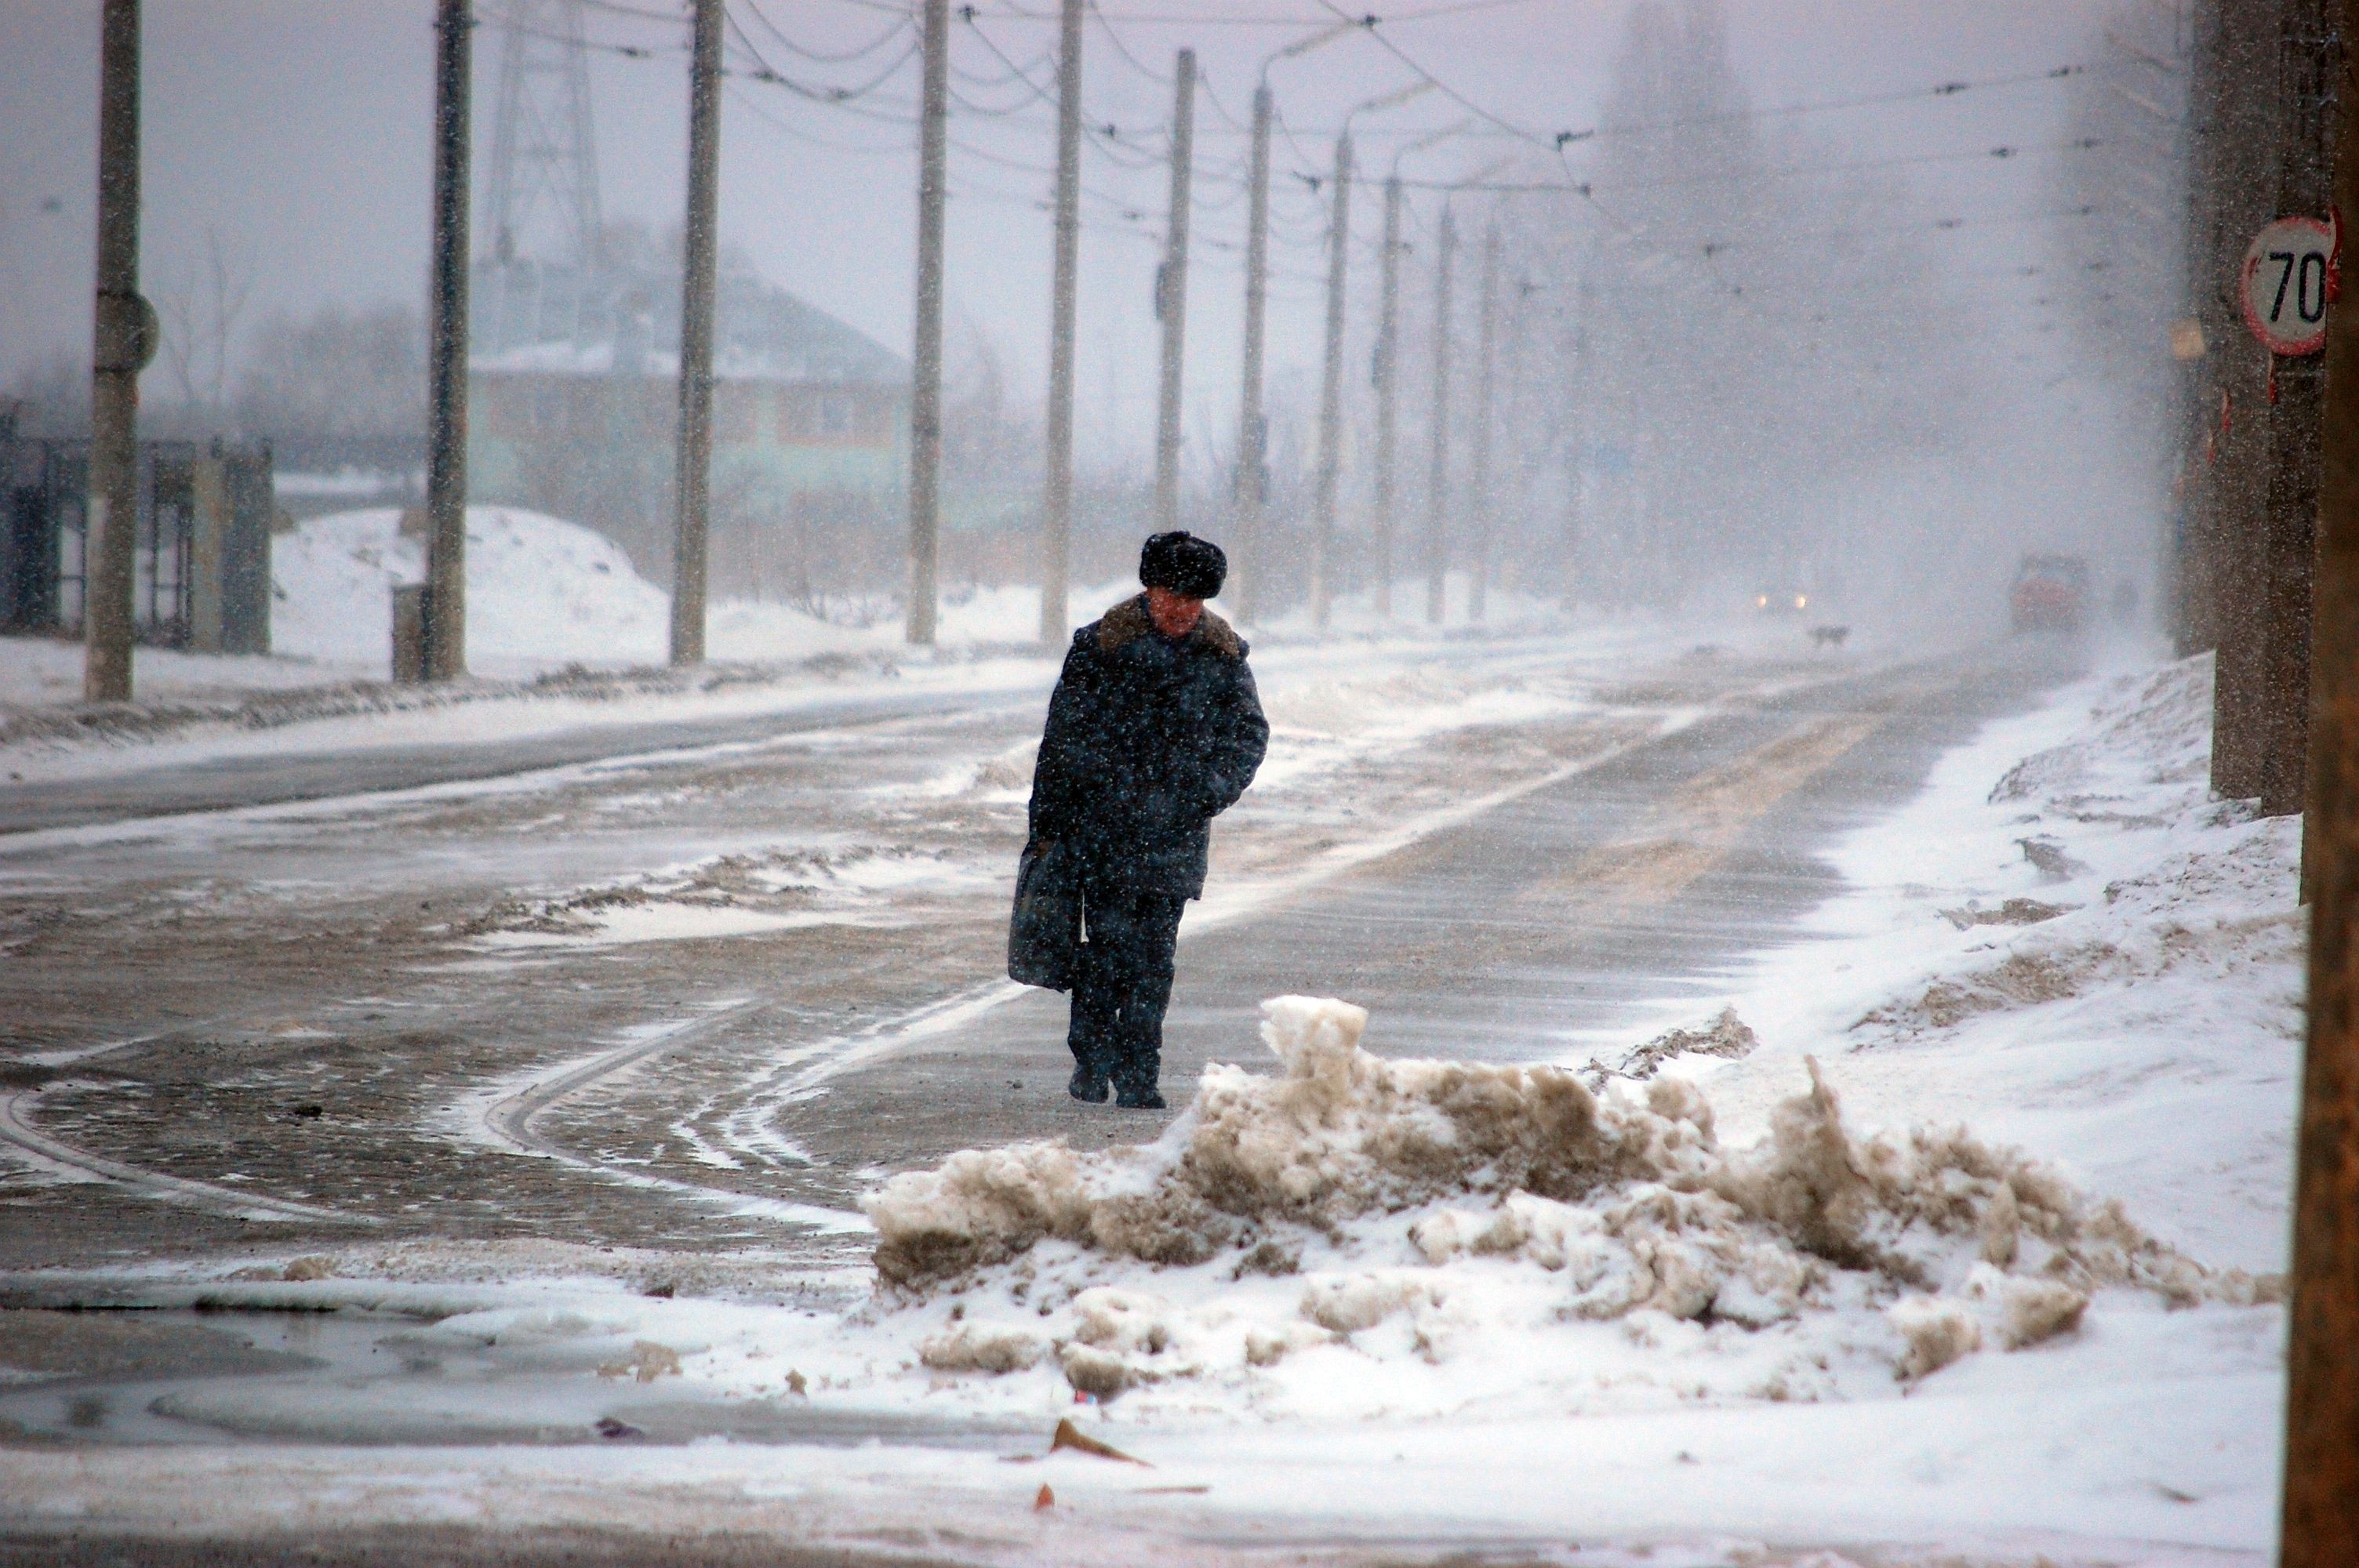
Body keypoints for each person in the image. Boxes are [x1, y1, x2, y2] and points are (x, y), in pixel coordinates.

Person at [1024, 532, 1269, 1109]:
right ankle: (1091, 1056)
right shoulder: (1101, 646)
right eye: (1171, 594)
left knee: (1154, 959)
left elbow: (1248, 737)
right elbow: (1062, 739)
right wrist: (1051, 824)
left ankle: (1139, 1074)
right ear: (1149, 589)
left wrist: (1207, 792)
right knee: (1107, 949)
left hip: (1175, 834)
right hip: (1102, 831)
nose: (1182, 609)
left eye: (1194, 599)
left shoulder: (1224, 656)